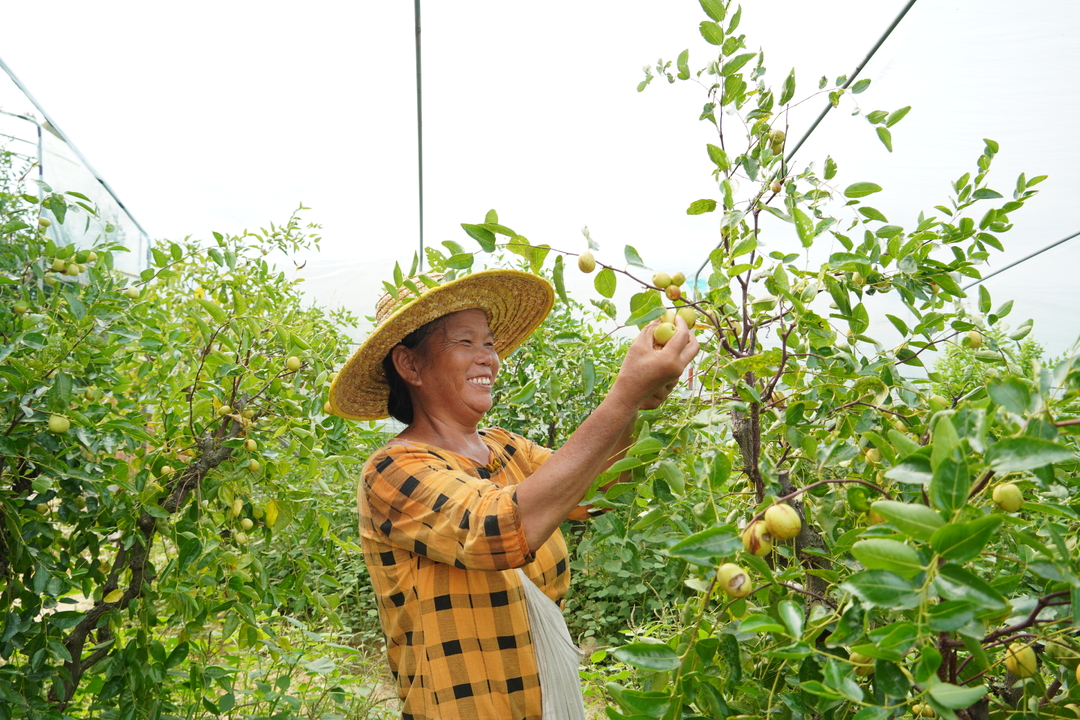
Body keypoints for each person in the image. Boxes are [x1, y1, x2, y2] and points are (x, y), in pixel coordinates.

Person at [328, 268, 698, 720]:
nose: (487, 357)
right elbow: (496, 526)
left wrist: (636, 406)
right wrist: (622, 397)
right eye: (465, 342)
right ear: (410, 365)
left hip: (545, 701)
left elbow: (596, 491)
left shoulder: (506, 449)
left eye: (488, 343)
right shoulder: (393, 470)